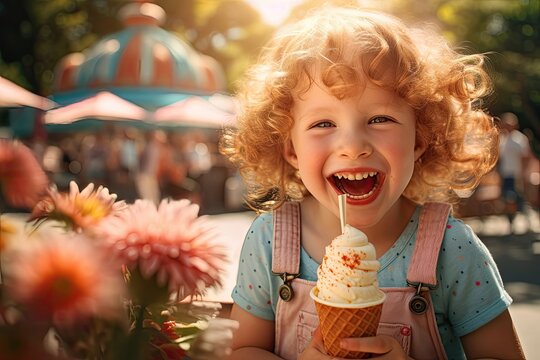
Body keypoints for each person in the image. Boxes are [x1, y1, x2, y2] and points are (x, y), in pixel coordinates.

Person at [220, 6, 524, 360]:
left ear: (418, 140)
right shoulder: (269, 242)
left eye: (380, 118)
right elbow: (244, 349)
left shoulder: (450, 249)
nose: (352, 146)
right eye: (323, 124)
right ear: (291, 151)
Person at [498, 112, 532, 231]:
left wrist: (523, 175)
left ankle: (527, 222)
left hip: (517, 175)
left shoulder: (519, 139)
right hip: (506, 174)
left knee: (519, 198)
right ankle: (511, 223)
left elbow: (526, 158)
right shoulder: (503, 139)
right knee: (508, 199)